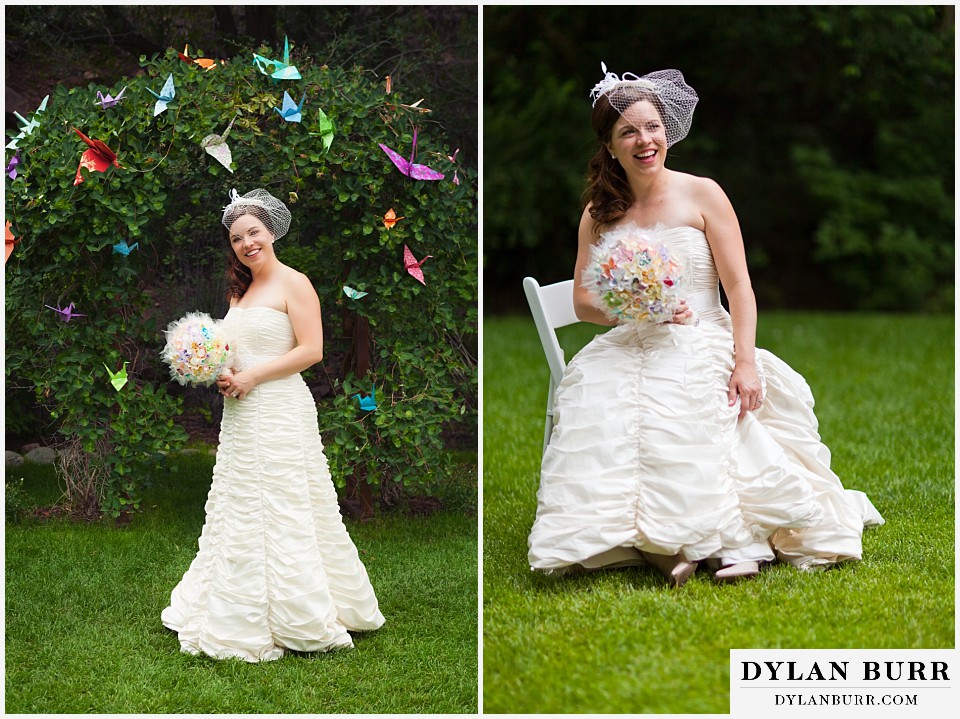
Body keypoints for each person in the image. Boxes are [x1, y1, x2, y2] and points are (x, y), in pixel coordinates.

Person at [527, 66, 884, 586]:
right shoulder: (599, 213)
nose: (644, 140)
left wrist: (745, 362)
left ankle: (732, 539)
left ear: (666, 130)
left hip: (705, 335)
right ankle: (658, 546)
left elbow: (740, 289)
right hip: (632, 339)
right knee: (602, 395)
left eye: (652, 127)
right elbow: (584, 300)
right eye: (627, 131)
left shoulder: (703, 195)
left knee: (688, 392)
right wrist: (635, 310)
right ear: (609, 146)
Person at [162, 188, 385, 661]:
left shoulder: (294, 283)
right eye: (238, 238)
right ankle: (237, 605)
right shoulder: (237, 292)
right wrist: (223, 372)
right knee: (240, 503)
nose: (246, 243)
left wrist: (253, 377)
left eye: (254, 233)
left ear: (271, 232)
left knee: (285, 503)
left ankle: (300, 610)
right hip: (241, 413)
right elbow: (234, 346)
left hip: (279, 405)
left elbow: (311, 350)